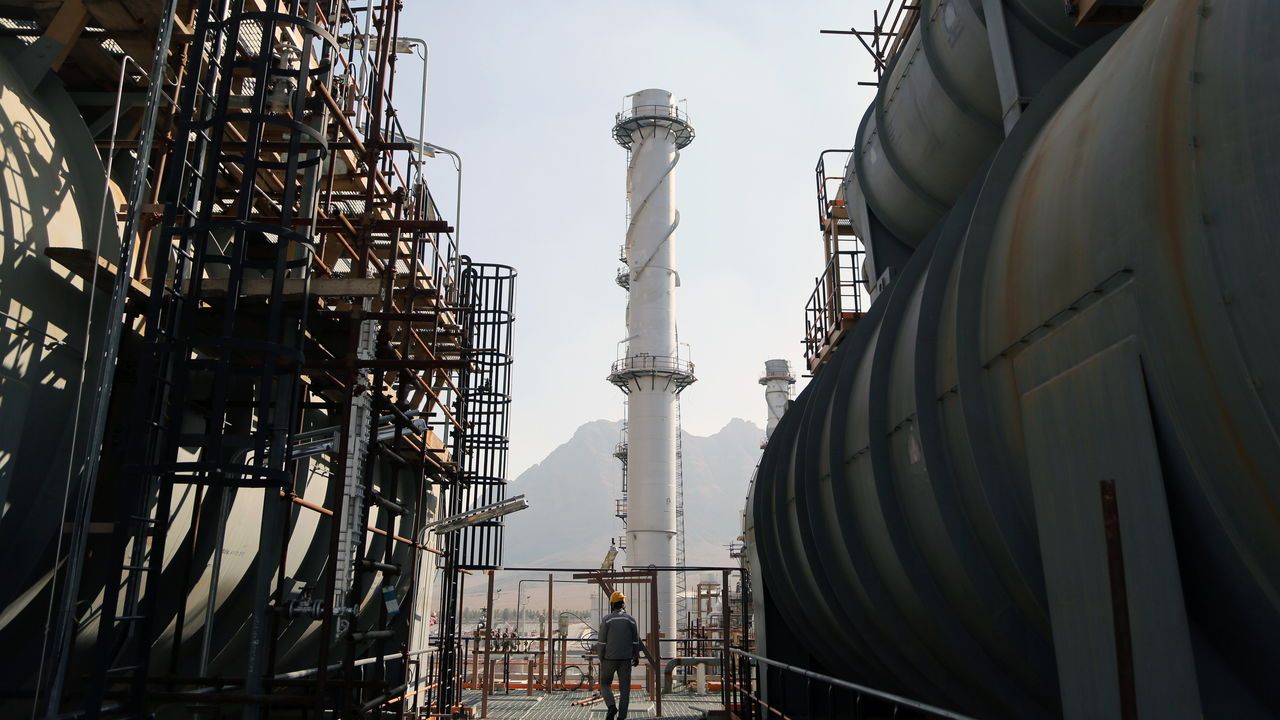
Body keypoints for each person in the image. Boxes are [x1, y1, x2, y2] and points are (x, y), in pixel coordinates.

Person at [597, 591, 643, 720]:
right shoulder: (631, 620)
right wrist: (636, 656)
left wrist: (601, 657)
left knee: (605, 684)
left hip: (609, 659)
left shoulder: (607, 620)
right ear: (623, 604)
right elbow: (635, 641)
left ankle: (611, 706)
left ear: (612, 604)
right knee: (625, 690)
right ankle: (621, 717)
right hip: (625, 660)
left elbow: (601, 642)